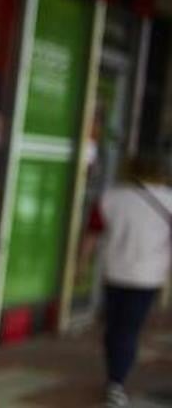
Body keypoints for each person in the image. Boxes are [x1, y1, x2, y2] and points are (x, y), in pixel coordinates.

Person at [88, 153, 172, 407]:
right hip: (148, 276)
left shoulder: (110, 198)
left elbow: (91, 237)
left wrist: (80, 266)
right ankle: (116, 382)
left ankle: (114, 375)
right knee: (129, 328)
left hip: (114, 272)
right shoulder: (169, 199)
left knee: (115, 327)